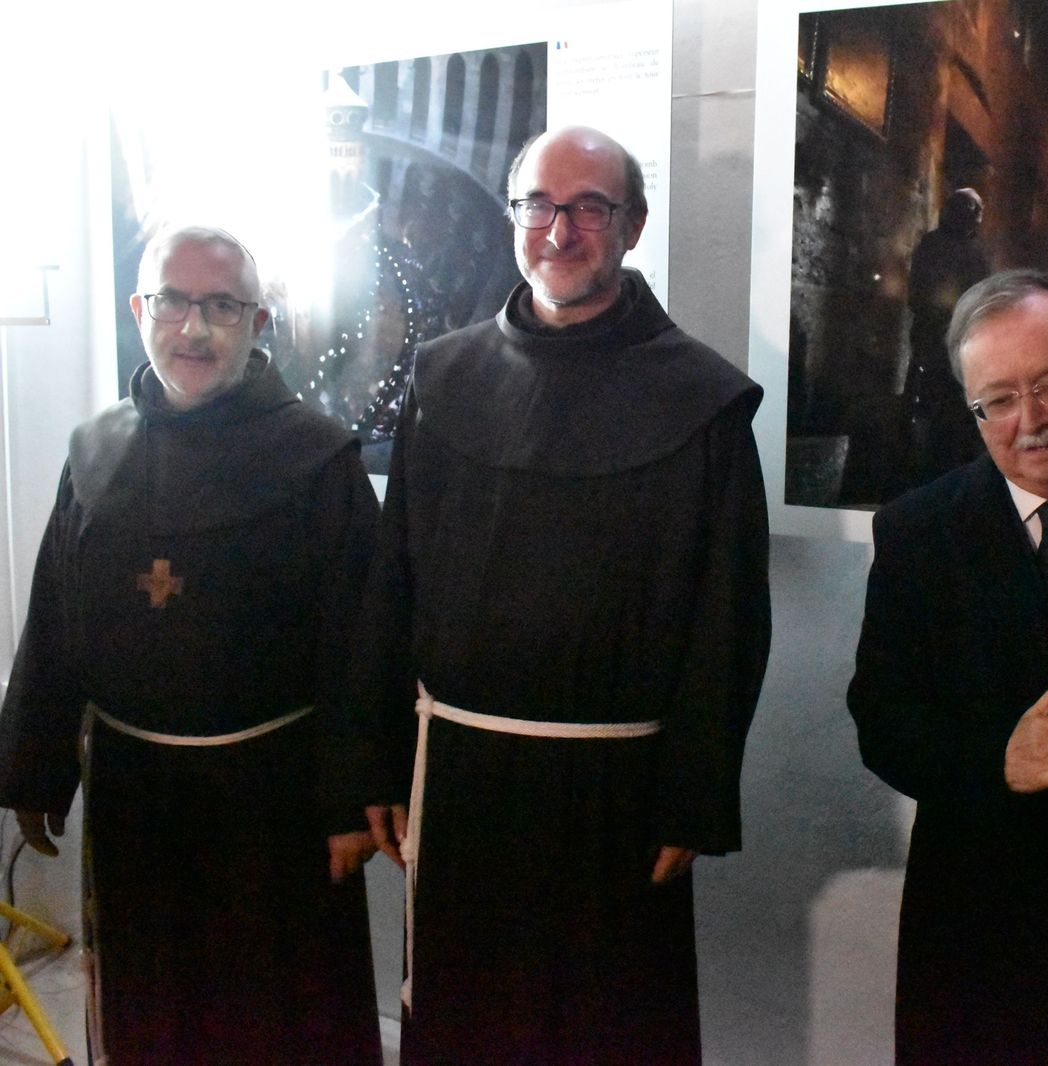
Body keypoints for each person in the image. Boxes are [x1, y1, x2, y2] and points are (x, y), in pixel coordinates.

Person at [349, 125, 771, 1064]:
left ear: (633, 226)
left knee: (605, 1033)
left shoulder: (699, 399)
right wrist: (375, 757)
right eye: (539, 204)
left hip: (613, 799)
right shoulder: (442, 376)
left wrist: (694, 798)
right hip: (459, 783)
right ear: (513, 217)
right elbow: (395, 581)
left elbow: (728, 617)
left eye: (590, 207)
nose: (560, 228)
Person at [0, 226, 383, 1064]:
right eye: (173, 302)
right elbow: (56, 618)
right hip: (136, 796)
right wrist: (34, 764)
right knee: (152, 1012)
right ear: (141, 311)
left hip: (273, 803)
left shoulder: (317, 460)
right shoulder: (94, 452)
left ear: (258, 322)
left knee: (275, 1017)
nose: (195, 328)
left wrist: (353, 800)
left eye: (222, 306)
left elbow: (363, 642)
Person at [850, 269, 1048, 1063]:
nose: (1031, 421)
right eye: (998, 400)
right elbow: (884, 723)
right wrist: (997, 758)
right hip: (980, 932)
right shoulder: (917, 532)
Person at [892, 187, 992, 497]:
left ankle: (948, 470)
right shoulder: (934, 245)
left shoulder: (975, 253)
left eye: (975, 211)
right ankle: (915, 470)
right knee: (924, 404)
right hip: (934, 341)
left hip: (960, 345)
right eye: (967, 209)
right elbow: (920, 293)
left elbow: (982, 294)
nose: (972, 217)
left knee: (956, 410)